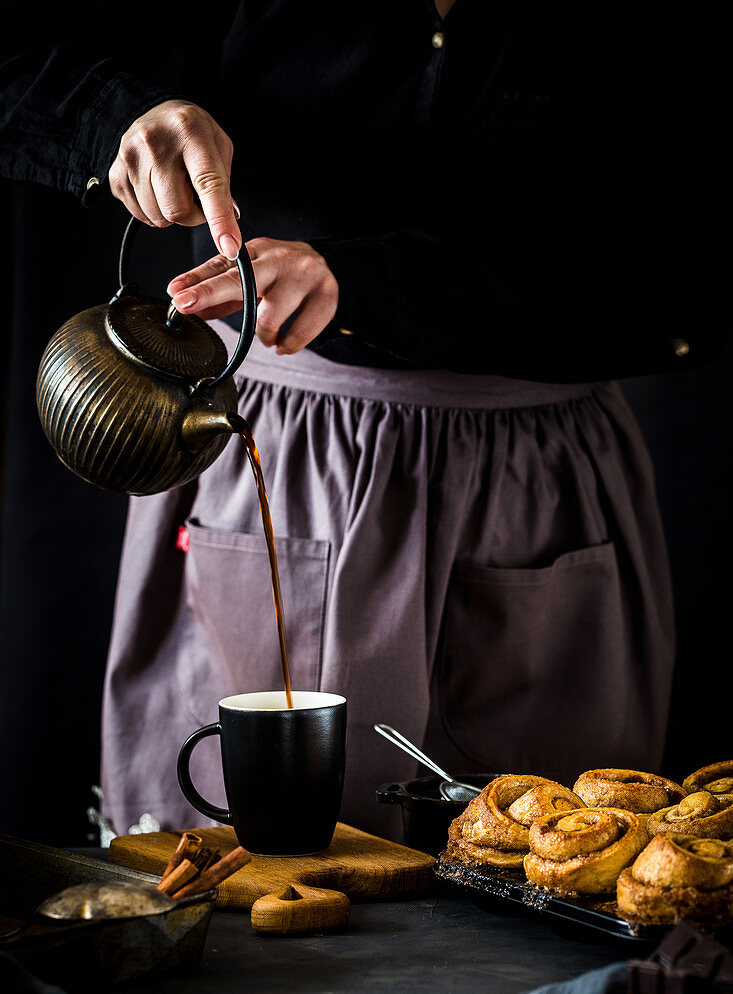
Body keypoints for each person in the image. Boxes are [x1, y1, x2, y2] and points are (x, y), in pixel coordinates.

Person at [2, 6, 729, 839]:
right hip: (276, 450)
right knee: (233, 871)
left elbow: (685, 287)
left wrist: (364, 283)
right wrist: (120, 119)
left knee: (542, 864)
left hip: (537, 477)